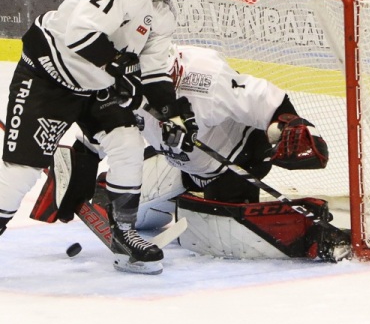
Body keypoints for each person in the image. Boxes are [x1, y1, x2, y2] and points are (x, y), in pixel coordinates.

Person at [0, 0, 199, 274]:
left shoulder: (163, 12)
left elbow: (152, 73)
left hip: (96, 86)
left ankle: (123, 231)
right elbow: (80, 33)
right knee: (21, 173)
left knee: (127, 143)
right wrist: (120, 65)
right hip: (50, 77)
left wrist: (173, 114)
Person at [35, 44, 351, 262]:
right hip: (177, 160)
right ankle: (172, 196)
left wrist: (288, 127)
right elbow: (100, 135)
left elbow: (265, 101)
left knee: (214, 239)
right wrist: (80, 165)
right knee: (111, 199)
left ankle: (307, 233)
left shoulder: (206, 78)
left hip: (233, 162)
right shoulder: (124, 85)